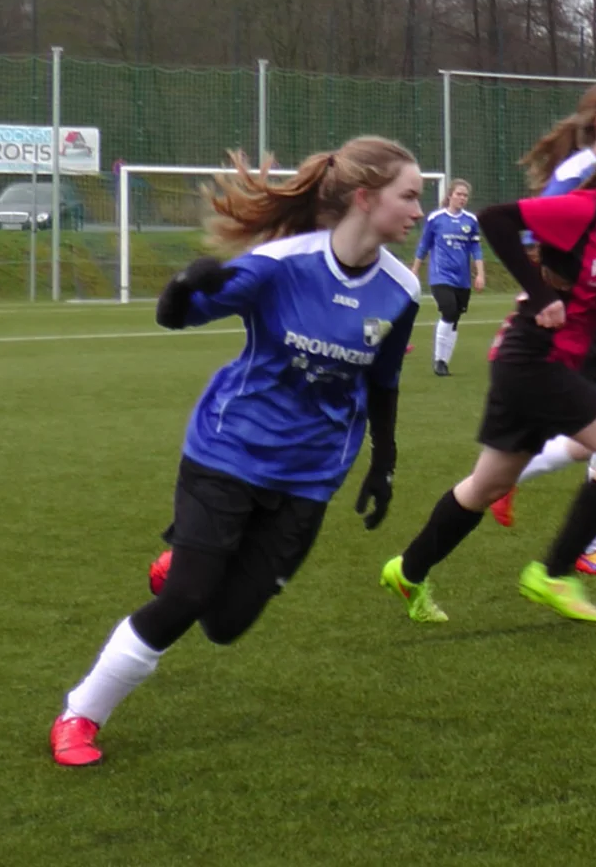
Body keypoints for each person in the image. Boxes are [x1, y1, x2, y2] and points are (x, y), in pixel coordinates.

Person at [50, 138, 424, 767]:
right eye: (409, 196)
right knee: (188, 601)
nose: (419, 210)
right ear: (366, 198)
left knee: (224, 625)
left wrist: (383, 461)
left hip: (311, 475)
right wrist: (183, 284)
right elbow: (177, 316)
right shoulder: (281, 264)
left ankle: (189, 564)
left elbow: (383, 381)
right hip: (229, 448)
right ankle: (80, 716)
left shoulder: (403, 289)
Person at [381, 127, 596, 625]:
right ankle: (554, 573)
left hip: (540, 363)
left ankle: (407, 570)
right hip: (532, 356)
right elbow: (496, 220)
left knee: (486, 485)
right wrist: (541, 295)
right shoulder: (583, 210)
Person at [487, 81, 596, 581]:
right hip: (593, 323)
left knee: (594, 440)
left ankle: (508, 478)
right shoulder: (577, 173)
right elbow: (533, 233)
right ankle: (592, 547)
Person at [411, 178, 486, 376]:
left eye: (465, 195)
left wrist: (480, 273)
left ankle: (444, 361)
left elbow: (476, 249)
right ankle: (438, 361)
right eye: (459, 194)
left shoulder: (470, 221)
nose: (462, 198)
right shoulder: (436, 218)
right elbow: (423, 246)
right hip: (440, 275)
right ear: (450, 195)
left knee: (455, 318)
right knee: (449, 311)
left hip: (462, 279)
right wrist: (414, 270)